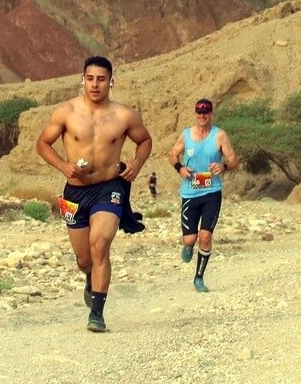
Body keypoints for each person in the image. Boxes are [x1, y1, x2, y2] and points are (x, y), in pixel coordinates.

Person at [35, 55, 152, 333]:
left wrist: (136, 163)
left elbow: (144, 141)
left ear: (111, 81)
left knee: (100, 244)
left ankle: (97, 314)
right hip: (75, 192)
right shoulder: (66, 112)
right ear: (83, 80)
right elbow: (42, 144)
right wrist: (63, 165)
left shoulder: (125, 115)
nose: (95, 85)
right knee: (84, 259)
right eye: (90, 79)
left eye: (101, 79)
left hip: (109, 188)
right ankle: (90, 277)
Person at [170, 97, 239, 293]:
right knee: (190, 239)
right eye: (199, 112)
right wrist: (180, 168)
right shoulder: (186, 135)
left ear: (211, 114)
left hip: (212, 192)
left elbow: (234, 160)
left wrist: (223, 165)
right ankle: (188, 246)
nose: (202, 115)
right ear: (195, 114)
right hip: (190, 192)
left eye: (206, 112)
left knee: (206, 236)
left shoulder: (219, 136)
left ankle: (199, 278)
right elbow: (172, 154)